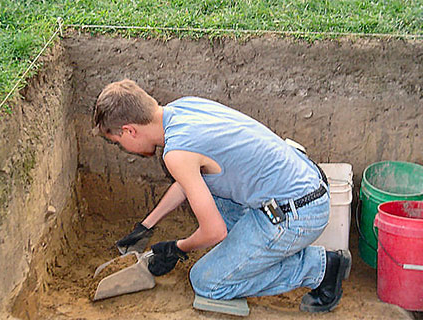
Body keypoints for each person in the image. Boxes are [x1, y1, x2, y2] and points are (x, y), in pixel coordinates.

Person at [92, 79, 351, 313]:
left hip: (296, 214)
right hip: (306, 183)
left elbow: (214, 232)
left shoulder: (176, 154)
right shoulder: (183, 108)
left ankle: (321, 268)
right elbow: (188, 179)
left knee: (207, 282)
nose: (122, 146)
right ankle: (250, 249)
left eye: (117, 141)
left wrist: (176, 249)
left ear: (129, 131)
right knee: (207, 191)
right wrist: (146, 226)